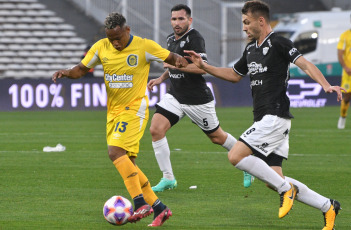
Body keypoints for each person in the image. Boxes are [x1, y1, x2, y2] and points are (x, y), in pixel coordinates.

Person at [184, 1, 343, 229]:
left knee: (235, 156)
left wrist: (326, 85)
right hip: (265, 119)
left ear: (261, 21)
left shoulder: (279, 42)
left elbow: (306, 64)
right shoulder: (250, 49)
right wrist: (205, 66)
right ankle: (328, 206)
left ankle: (286, 191)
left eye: (247, 22)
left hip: (275, 116)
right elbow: (233, 74)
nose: (244, 28)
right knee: (273, 179)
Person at [52, 12, 188, 227]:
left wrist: (181, 61)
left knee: (115, 152)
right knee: (129, 165)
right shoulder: (100, 47)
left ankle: (140, 202)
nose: (115, 43)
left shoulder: (144, 46)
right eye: (111, 39)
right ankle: (160, 209)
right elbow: (80, 69)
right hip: (113, 112)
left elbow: (171, 58)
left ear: (127, 30)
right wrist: (66, 72)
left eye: (118, 38)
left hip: (134, 108)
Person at [147, 4, 253, 192]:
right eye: (174, 19)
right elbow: (170, 66)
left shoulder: (195, 39)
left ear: (190, 20)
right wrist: (160, 78)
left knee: (217, 137)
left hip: (197, 99)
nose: (177, 23)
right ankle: (168, 178)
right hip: (176, 96)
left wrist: (177, 66)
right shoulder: (170, 39)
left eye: (181, 19)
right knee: (156, 129)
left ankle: (248, 161)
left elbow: (201, 67)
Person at [337, 16, 351, 129]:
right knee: (346, 97)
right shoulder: (345, 35)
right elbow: (340, 54)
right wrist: (345, 67)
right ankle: (342, 117)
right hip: (348, 73)